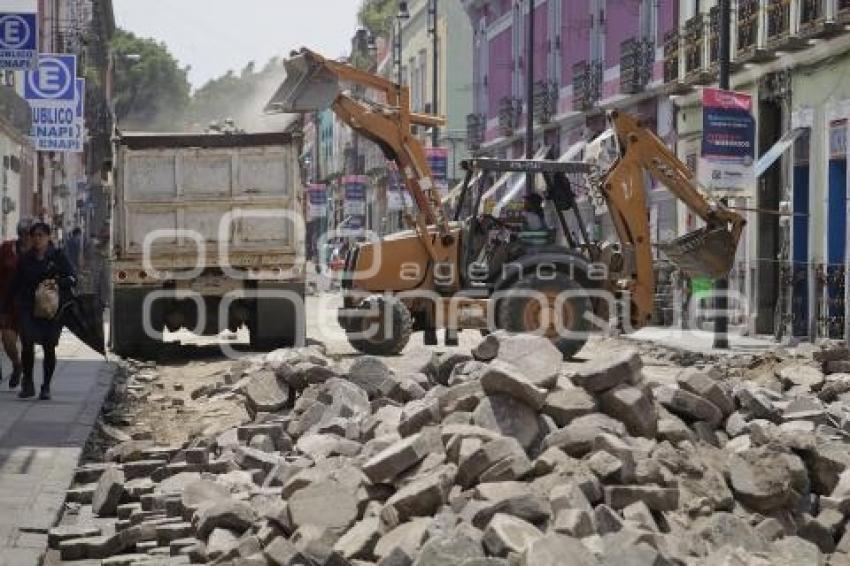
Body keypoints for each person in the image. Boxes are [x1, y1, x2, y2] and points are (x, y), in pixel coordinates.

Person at [7, 223, 75, 400]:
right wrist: (5, 306)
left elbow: (72, 278)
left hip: (51, 309)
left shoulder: (58, 256)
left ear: (48, 237)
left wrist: (56, 284)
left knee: (49, 346)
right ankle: (28, 382)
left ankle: (46, 386)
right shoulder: (25, 259)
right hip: (28, 307)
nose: (37, 239)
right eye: (34, 236)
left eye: (41, 235)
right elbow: (15, 283)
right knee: (27, 343)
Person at [0, 219, 33, 388]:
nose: (26, 237)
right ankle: (16, 364)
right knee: (7, 341)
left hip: (30, 306)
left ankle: (28, 380)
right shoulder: (6, 249)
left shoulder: (40, 252)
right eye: (24, 234)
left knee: (28, 344)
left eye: (29, 234)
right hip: (8, 304)